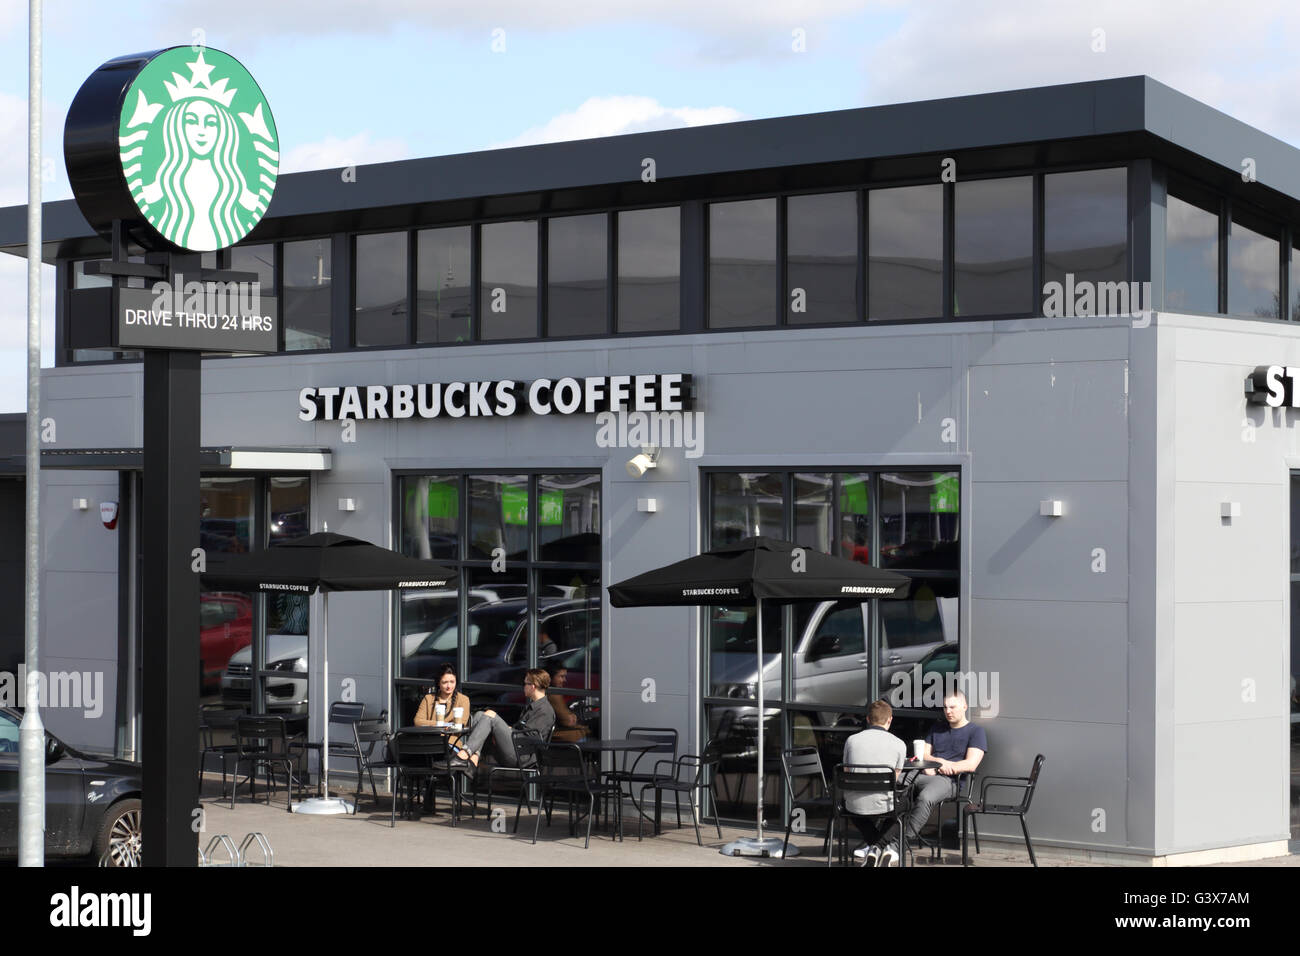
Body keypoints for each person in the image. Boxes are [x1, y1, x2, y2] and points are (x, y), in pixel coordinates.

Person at [869, 689, 987, 865]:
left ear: (964, 706)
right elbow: (924, 754)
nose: (948, 711)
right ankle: (874, 842)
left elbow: (971, 764)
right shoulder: (937, 727)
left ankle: (896, 846)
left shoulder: (975, 731)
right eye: (945, 707)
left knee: (925, 798)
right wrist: (937, 761)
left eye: (953, 707)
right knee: (894, 784)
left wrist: (945, 767)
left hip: (950, 781)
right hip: (924, 774)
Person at [839, 699, 907, 865]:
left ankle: (874, 848)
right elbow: (894, 781)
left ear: (868, 719)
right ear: (889, 720)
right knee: (906, 805)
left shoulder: (851, 740)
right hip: (883, 804)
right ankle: (879, 846)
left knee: (849, 804)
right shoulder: (900, 744)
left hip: (854, 805)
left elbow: (847, 773)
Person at [451, 669, 555, 771]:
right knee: (480, 715)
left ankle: (463, 756)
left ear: (532, 687)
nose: (524, 687)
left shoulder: (544, 710)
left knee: (490, 716)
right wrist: (503, 731)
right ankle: (473, 761)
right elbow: (521, 730)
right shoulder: (533, 706)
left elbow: (529, 739)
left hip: (522, 757)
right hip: (516, 749)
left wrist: (504, 731)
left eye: (525, 684)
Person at [413, 663, 470, 748]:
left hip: (451, 744)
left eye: (452, 682)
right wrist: (443, 724)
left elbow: (461, 723)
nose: (449, 686)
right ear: (438, 683)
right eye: (444, 682)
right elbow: (417, 721)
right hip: (429, 742)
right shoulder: (429, 698)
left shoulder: (463, 699)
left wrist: (432, 725)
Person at [547, 666, 590, 743]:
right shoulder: (553, 695)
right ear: (550, 677)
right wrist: (572, 717)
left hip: (559, 734)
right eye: (561, 676)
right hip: (561, 737)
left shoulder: (553, 693)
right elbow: (567, 721)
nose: (564, 680)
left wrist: (572, 716)